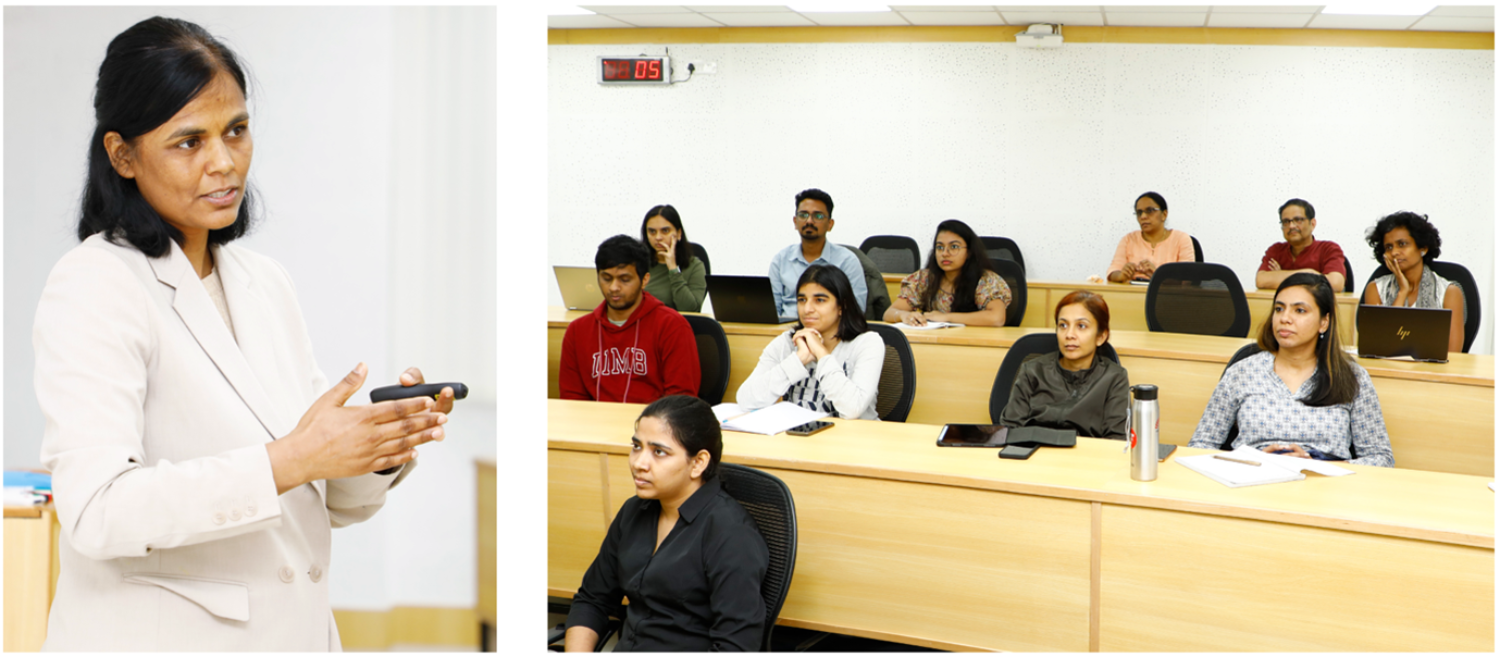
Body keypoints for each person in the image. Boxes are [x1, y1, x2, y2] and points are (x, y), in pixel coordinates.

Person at [33, 18, 453, 651]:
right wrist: (295, 458)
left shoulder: (263, 281)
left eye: (236, 130)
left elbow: (326, 499)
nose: (224, 162)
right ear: (122, 155)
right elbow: (97, 512)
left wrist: (379, 444)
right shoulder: (95, 283)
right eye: (188, 142)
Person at [565, 395, 769, 652]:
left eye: (659, 452)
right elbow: (592, 600)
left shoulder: (731, 534)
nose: (639, 463)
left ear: (698, 463)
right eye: (637, 447)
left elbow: (736, 647)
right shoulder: (633, 511)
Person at [1190, 273, 1393, 467]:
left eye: (1299, 310)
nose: (1285, 318)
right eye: (1279, 309)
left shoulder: (1352, 376)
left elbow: (1381, 458)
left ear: (1324, 322)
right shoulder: (1243, 372)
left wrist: (1319, 465)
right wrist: (1249, 461)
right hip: (1252, 480)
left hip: (1327, 488)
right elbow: (1199, 446)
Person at [560, 235, 701, 403]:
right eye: (606, 278)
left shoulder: (672, 326)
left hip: (652, 427)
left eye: (625, 279)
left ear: (644, 280)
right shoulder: (577, 331)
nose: (614, 287)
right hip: (594, 426)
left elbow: (680, 401)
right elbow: (572, 400)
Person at [737, 264, 884, 420]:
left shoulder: (867, 343)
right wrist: (798, 359)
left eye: (819, 300)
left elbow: (852, 409)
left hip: (853, 439)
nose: (807, 309)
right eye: (802, 300)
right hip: (800, 437)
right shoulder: (787, 342)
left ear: (842, 306)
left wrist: (820, 352)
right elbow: (746, 399)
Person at [999, 291, 1130, 440]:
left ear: (1101, 337)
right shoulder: (1033, 371)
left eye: (1081, 326)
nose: (1069, 334)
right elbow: (1010, 429)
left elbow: (1116, 441)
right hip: (1035, 456)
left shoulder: (1114, 378)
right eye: (1063, 325)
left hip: (1086, 459)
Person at [1361, 211, 1465, 353]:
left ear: (1423, 248)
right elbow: (1380, 346)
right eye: (1389, 247)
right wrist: (1402, 292)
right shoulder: (1375, 289)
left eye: (1402, 244)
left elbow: (1454, 355)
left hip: (1434, 373)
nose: (1395, 252)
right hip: (1387, 371)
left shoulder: (1449, 292)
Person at [884, 219, 1011, 327]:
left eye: (954, 247)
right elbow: (888, 313)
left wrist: (946, 317)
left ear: (969, 252)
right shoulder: (924, 279)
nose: (945, 253)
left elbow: (996, 318)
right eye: (940, 247)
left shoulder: (985, 280)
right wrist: (904, 315)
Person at [768, 188, 868, 320]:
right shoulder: (781, 260)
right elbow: (771, 311)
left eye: (818, 216)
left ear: (830, 224)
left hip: (830, 334)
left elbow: (855, 311)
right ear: (795, 222)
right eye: (803, 215)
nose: (809, 221)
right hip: (787, 332)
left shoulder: (847, 261)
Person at [1255, 198, 1347, 291]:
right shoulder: (1276, 250)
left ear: (1312, 223)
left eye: (1298, 220)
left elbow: (1336, 283)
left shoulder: (1328, 249)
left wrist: (1280, 276)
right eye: (1286, 222)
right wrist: (1310, 273)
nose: (1291, 226)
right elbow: (1261, 280)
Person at [1107, 191, 1195, 283]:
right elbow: (1113, 271)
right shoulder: (1129, 239)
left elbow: (1187, 279)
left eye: (1150, 211)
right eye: (1139, 212)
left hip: (1167, 295)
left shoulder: (1181, 239)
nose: (1143, 216)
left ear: (1164, 215)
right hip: (1132, 294)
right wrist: (1121, 275)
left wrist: (1157, 274)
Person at [640, 204, 707, 312]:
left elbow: (691, 311)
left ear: (679, 233)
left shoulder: (695, 266)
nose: (658, 237)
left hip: (676, 326)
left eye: (665, 231)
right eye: (652, 231)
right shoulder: (637, 263)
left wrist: (673, 268)